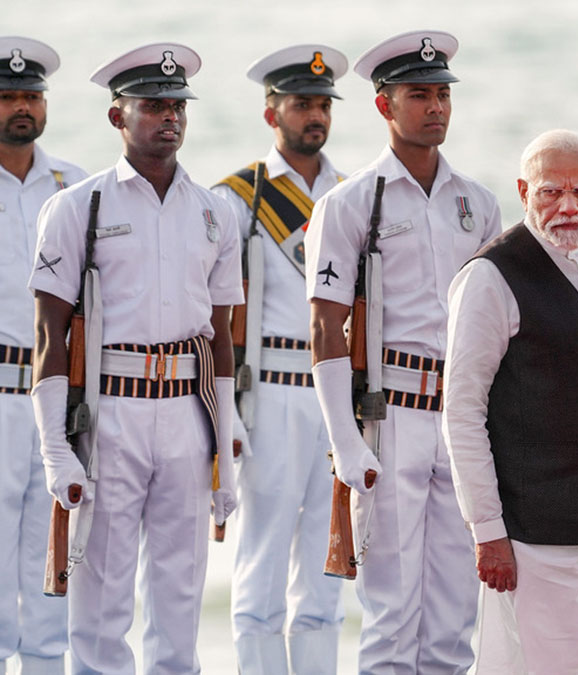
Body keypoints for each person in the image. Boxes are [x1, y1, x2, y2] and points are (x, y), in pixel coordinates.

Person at [28, 43, 242, 673]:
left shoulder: (215, 212)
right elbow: (50, 334)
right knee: (100, 599)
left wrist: (225, 448)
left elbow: (222, 339)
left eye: (177, 105)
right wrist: (54, 449)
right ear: (117, 117)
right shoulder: (77, 209)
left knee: (180, 595)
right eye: (153, 105)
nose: (169, 117)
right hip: (110, 414)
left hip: (185, 412)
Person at [305, 31, 501, 673]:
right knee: (391, 617)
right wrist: (346, 442)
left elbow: (499, 323)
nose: (436, 107)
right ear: (385, 106)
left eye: (443, 94)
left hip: (463, 418)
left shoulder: (480, 204)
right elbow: (326, 326)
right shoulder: (350, 202)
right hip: (389, 415)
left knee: (453, 619)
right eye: (420, 95)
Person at [442, 129, 578, 674]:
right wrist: (488, 530)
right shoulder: (491, 277)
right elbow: (462, 412)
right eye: (550, 192)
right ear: (522, 191)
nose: (567, 207)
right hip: (538, 530)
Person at [212, 44, 348, 675]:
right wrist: (221, 412)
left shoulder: (351, 194)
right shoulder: (237, 198)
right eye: (301, 104)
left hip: (336, 393)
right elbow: (210, 312)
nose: (314, 115)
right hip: (268, 392)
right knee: (262, 559)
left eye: (322, 104)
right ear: (273, 114)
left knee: (329, 561)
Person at [0, 36, 87, 675]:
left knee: (54, 547)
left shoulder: (75, 186)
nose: (21, 107)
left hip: (57, 394)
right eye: (8, 97)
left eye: (31, 95)